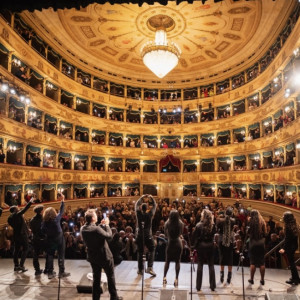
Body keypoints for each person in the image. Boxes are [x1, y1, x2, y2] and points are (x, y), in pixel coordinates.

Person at [80, 209, 123, 300]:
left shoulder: (83, 228)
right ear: (92, 218)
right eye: (95, 215)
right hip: (104, 256)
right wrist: (107, 225)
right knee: (110, 276)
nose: (97, 216)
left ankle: (95, 298)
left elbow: (94, 230)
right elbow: (109, 236)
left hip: (93, 257)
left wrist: (100, 225)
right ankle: (114, 297)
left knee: (96, 278)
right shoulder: (96, 229)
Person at [42, 194, 70, 279]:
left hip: (50, 240)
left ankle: (50, 272)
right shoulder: (56, 219)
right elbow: (61, 211)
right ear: (54, 212)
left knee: (50, 255)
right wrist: (62, 200)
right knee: (61, 254)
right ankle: (61, 272)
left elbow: (42, 231)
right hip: (59, 239)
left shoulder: (44, 222)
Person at [192, 208, 216, 291]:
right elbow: (213, 235)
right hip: (210, 246)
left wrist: (195, 245)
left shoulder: (198, 225)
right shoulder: (213, 225)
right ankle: (212, 286)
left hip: (201, 246)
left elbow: (194, 236)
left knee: (200, 265)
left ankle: (198, 286)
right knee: (211, 265)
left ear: (203, 216)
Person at [8, 197, 34, 272]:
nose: (19, 209)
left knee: (16, 250)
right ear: (15, 210)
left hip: (16, 235)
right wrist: (30, 201)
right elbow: (25, 209)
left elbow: (20, 225)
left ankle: (16, 266)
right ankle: (21, 265)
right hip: (22, 235)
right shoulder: (16, 215)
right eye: (17, 208)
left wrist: (27, 229)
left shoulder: (10, 218)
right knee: (26, 249)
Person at [135, 194, 157, 276]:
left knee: (140, 252)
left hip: (140, 234)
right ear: (147, 208)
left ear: (141, 208)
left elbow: (136, 205)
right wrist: (151, 197)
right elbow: (155, 205)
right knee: (152, 249)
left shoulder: (138, 214)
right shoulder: (150, 214)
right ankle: (149, 267)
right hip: (148, 235)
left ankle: (140, 269)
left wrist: (141, 197)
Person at [163, 209, 184, 287]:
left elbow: (165, 234)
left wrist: (169, 236)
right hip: (178, 243)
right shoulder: (181, 223)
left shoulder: (167, 223)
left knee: (167, 261)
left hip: (170, 243)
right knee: (177, 261)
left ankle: (164, 278)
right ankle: (176, 279)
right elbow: (181, 233)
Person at [279, 211, 300, 285]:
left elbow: (287, 239)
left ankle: (295, 279)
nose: (283, 218)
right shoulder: (295, 225)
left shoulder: (288, 227)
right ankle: (295, 277)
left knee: (291, 263)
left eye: (284, 216)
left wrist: (283, 248)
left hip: (290, 247)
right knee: (292, 263)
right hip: (294, 246)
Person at [216, 207, 235, 284]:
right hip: (230, 241)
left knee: (222, 257)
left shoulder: (220, 221)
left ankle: (222, 276)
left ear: (225, 213)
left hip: (221, 240)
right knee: (230, 257)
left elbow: (217, 229)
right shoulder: (233, 221)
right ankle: (229, 277)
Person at [247, 209, 267, 285]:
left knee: (253, 262)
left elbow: (247, 232)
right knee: (262, 263)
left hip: (253, 243)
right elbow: (265, 233)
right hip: (261, 243)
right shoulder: (262, 222)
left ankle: (251, 279)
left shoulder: (250, 222)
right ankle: (262, 280)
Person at [30, 204, 46, 275]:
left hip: (35, 239)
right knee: (48, 254)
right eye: (43, 210)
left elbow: (32, 230)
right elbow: (43, 229)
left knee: (35, 255)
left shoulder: (32, 219)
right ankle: (48, 269)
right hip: (42, 238)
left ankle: (37, 270)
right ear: (41, 211)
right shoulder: (42, 219)